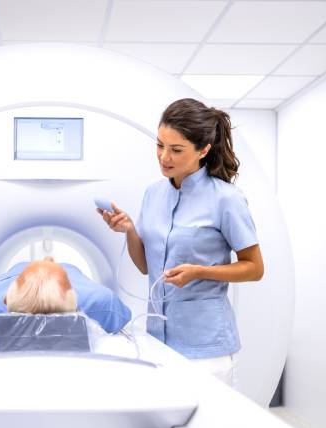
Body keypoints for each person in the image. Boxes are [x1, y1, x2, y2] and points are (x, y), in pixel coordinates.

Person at [98, 98, 263, 386]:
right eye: (160, 145)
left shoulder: (226, 198)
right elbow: (145, 267)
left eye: (176, 150)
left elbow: (254, 268)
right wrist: (129, 230)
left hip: (205, 347)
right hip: (157, 342)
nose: (164, 157)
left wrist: (200, 272)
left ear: (204, 150)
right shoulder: (153, 194)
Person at [0, 257, 131, 336]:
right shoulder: (101, 303)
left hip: (59, 276)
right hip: (37, 274)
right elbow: (123, 315)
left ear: (6, 300)